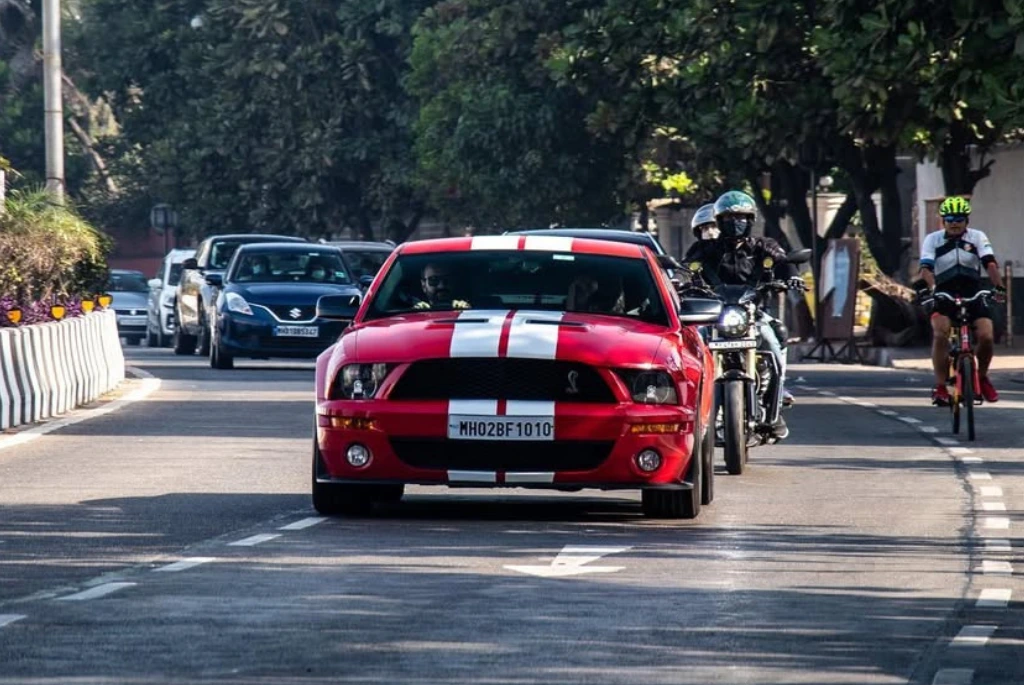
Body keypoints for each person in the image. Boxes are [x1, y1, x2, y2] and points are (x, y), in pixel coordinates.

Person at [685, 190, 805, 440]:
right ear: (719, 220)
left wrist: (792, 276)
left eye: (742, 217)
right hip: (714, 316)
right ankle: (688, 407)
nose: (736, 222)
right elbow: (686, 267)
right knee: (692, 347)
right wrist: (678, 279)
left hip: (752, 313)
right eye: (729, 217)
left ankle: (776, 402)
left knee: (774, 339)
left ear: (751, 220)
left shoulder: (763, 245)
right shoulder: (704, 248)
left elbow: (783, 261)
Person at [914, 196, 1006, 406]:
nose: (954, 222)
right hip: (943, 293)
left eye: (959, 218)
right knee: (940, 333)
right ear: (943, 220)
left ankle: (982, 378)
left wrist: (999, 287)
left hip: (973, 292)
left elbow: (989, 263)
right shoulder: (933, 239)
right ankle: (940, 386)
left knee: (986, 336)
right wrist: (933, 290)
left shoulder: (977, 237)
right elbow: (926, 268)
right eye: (950, 219)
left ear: (967, 221)